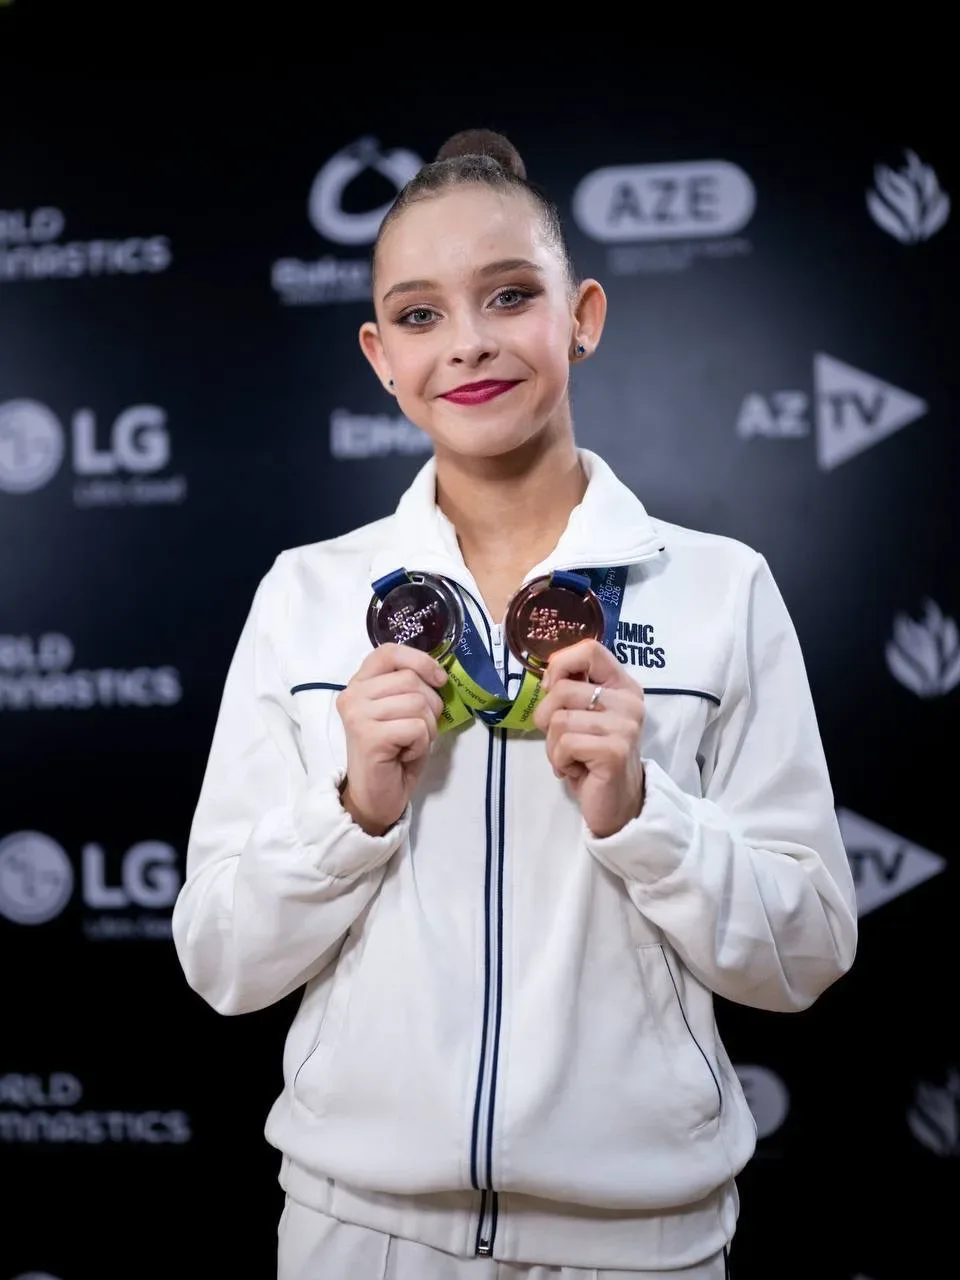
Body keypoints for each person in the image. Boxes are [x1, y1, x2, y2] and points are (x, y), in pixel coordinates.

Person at [172, 128, 858, 1279]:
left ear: (581, 316)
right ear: (380, 355)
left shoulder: (720, 587)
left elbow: (808, 950)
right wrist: (351, 811)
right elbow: (222, 960)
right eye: (420, 313)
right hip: (359, 1232)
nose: (468, 342)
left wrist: (644, 814)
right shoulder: (308, 593)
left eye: (508, 295)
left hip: (641, 1242)